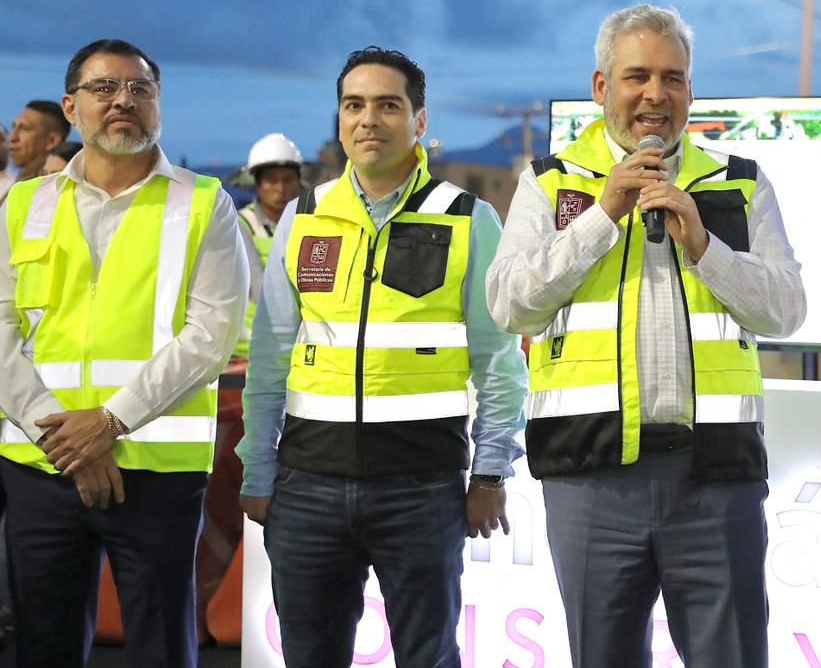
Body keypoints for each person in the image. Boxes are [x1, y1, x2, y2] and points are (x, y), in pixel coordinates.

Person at [487, 4, 806, 668]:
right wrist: (602, 215)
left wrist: (704, 245)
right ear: (602, 86)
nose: (655, 95)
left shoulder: (737, 182)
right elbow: (510, 304)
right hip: (590, 478)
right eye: (637, 76)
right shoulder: (551, 184)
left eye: (673, 78)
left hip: (715, 476)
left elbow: (785, 311)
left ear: (690, 89)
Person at [236, 46, 528, 668]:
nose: (368, 119)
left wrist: (491, 472)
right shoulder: (303, 216)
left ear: (419, 121)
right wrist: (258, 470)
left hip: (422, 489)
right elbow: (270, 359)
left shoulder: (469, 220)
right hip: (306, 487)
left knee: (428, 657)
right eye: (354, 105)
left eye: (387, 105)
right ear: (340, 119)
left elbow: (499, 363)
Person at [0, 39, 250, 668]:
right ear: (71, 106)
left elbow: (212, 334)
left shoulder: (203, 203)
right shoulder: (23, 205)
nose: (123, 101)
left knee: (162, 645)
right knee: (41, 644)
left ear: (158, 105)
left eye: (140, 89)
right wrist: (63, 439)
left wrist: (108, 422)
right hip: (40, 465)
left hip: (156, 468)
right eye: (105, 88)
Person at [233, 132, 304, 360]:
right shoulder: (241, 224)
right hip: (249, 352)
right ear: (258, 184)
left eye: (288, 179)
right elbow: (260, 288)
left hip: (297, 349)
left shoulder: (310, 222)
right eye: (271, 180)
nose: (281, 188)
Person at [8, 100, 72, 182]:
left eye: (25, 128)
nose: (13, 138)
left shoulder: (56, 184)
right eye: (14, 127)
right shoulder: (21, 182)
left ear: (52, 141)